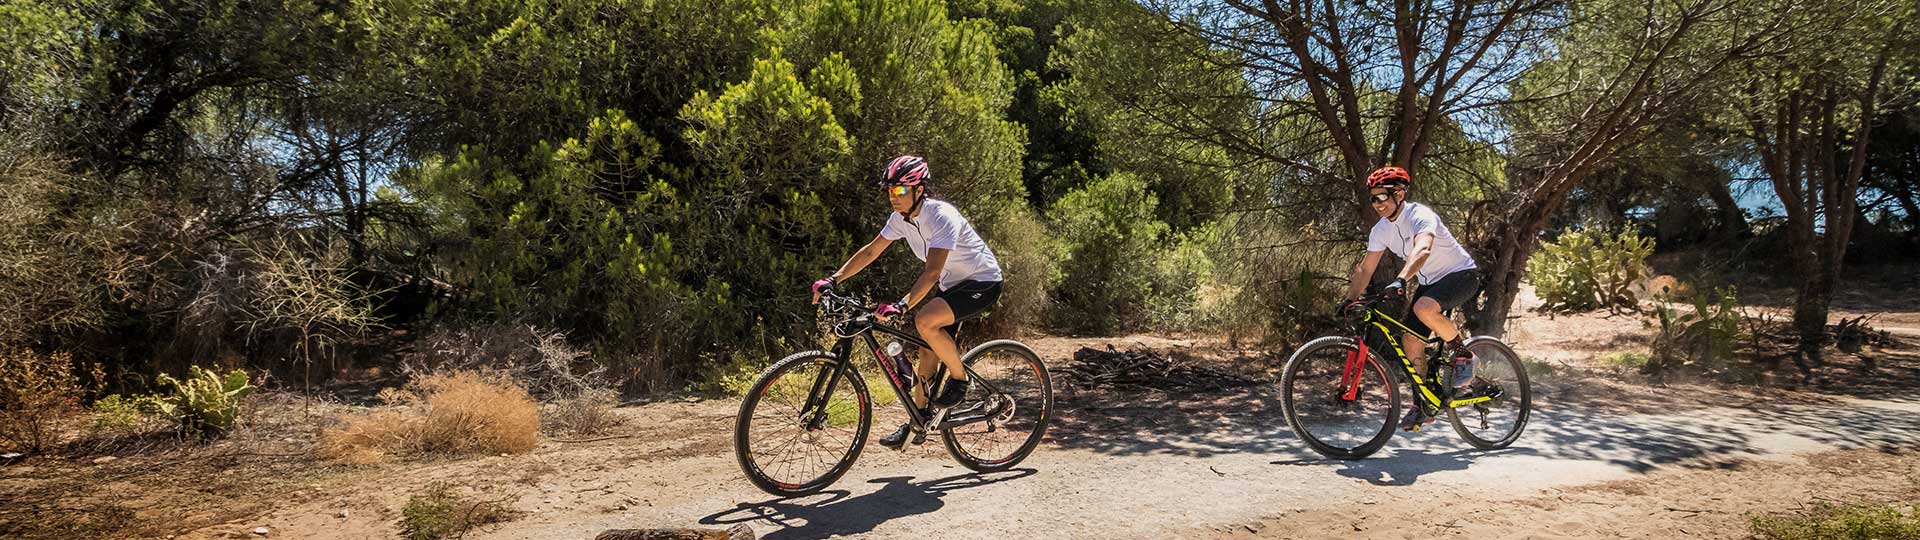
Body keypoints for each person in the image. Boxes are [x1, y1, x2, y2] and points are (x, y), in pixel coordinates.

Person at [811, 155, 1005, 447]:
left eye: (900, 190)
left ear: (919, 190)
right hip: (952, 285)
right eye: (890, 190)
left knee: (924, 320)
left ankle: (961, 379)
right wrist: (834, 279)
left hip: (982, 281)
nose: (894, 196)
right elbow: (870, 252)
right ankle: (918, 423)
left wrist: (902, 304)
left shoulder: (941, 216)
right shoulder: (900, 220)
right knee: (927, 354)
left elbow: (932, 271)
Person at [1340, 165, 1491, 431]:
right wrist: (1349, 299)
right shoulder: (1380, 230)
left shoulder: (1420, 214)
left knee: (1423, 307)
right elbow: (1365, 269)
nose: (1377, 204)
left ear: (1398, 194)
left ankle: (1463, 354)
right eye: (1372, 198)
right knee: (1410, 340)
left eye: (1381, 197)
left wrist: (1401, 279)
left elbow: (1423, 249)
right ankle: (1424, 403)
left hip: (1462, 275)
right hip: (1430, 282)